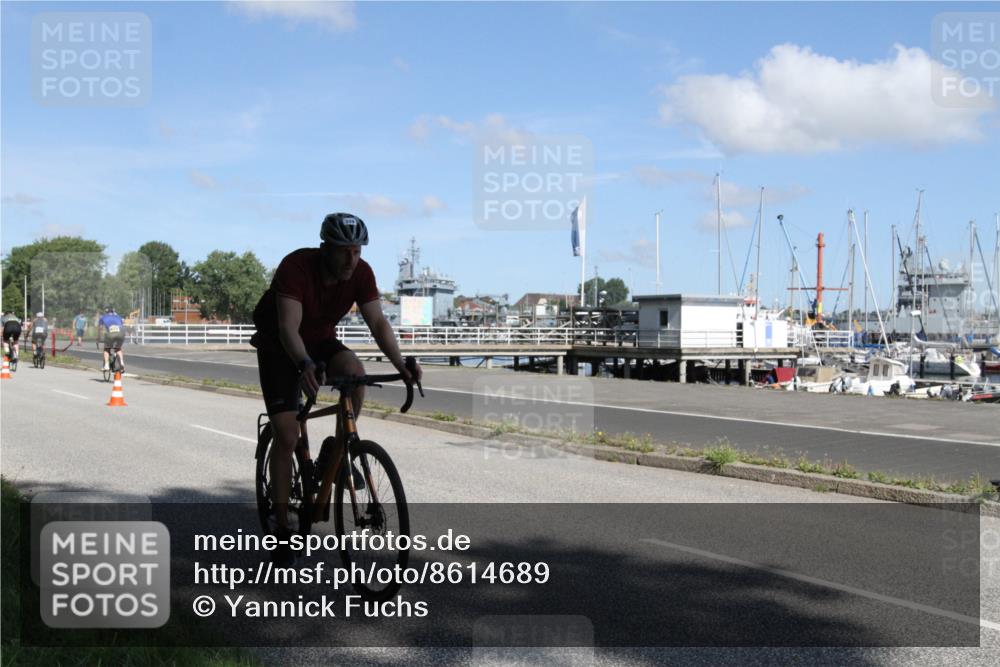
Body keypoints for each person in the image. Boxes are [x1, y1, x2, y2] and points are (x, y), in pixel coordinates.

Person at [251, 212, 422, 562]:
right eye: (344, 251)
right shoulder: (296, 267)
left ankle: (337, 448)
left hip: (321, 342)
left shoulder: (362, 273)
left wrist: (401, 365)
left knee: (355, 373)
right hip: (280, 348)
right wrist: (304, 365)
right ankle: (283, 529)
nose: (351, 259)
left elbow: (377, 322)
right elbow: (288, 328)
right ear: (325, 247)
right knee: (287, 436)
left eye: (357, 251)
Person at [97, 306, 126, 371]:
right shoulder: (118, 317)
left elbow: (100, 329)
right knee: (118, 349)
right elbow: (122, 326)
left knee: (106, 349)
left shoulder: (103, 317)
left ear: (106, 311)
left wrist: (98, 338)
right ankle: (122, 362)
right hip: (121, 334)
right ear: (113, 311)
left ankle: (106, 365)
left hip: (111, 334)